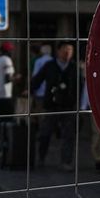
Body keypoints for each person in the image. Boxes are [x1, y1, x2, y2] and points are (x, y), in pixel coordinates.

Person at [29, 41, 79, 171]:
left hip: (68, 106)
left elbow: (80, 86)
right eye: (65, 49)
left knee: (68, 135)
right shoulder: (49, 65)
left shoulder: (74, 67)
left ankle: (66, 161)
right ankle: (41, 157)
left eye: (70, 50)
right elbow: (37, 79)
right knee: (45, 133)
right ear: (58, 51)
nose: (67, 53)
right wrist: (29, 90)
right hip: (51, 104)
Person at [80, 75, 100, 171]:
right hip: (96, 106)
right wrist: (83, 106)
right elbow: (87, 88)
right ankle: (99, 158)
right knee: (97, 132)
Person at [0, 41, 17, 117]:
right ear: (8, 51)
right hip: (5, 94)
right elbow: (8, 78)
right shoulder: (7, 60)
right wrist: (17, 78)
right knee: (8, 117)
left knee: (0, 117)